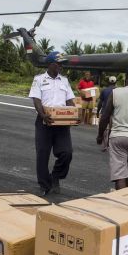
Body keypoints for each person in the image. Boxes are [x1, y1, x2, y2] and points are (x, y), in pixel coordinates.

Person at [29, 52, 75, 196]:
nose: (61, 66)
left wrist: (74, 114)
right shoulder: (39, 79)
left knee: (67, 153)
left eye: (62, 63)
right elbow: (36, 100)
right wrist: (43, 115)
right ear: (50, 64)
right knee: (42, 154)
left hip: (62, 122)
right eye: (58, 63)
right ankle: (45, 185)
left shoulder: (65, 81)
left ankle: (55, 177)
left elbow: (70, 101)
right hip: (44, 121)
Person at [97, 76, 117, 151]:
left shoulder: (104, 90)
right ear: (115, 82)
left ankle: (104, 145)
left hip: (105, 111)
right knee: (111, 129)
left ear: (108, 82)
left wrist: (98, 111)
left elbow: (100, 102)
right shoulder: (118, 91)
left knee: (104, 128)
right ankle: (109, 144)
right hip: (114, 113)